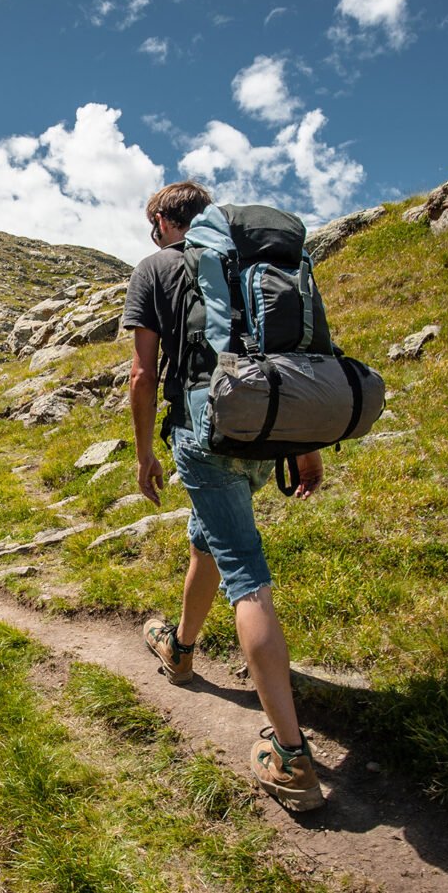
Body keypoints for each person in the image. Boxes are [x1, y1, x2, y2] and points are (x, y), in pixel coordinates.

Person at [124, 180, 327, 812]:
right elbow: (295, 350)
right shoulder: (250, 258)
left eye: (151, 221)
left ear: (162, 219)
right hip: (267, 425)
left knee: (246, 572)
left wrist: (144, 454)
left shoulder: (155, 267)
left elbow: (140, 372)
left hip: (203, 428)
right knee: (207, 537)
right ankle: (181, 650)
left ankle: (291, 759)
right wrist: (304, 443)